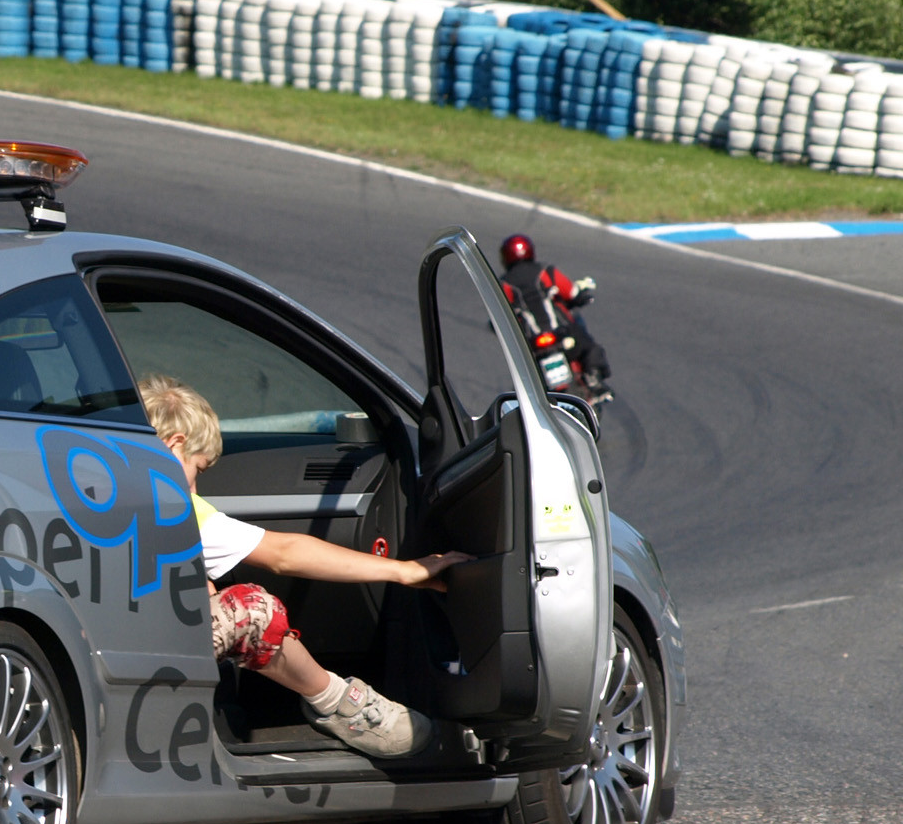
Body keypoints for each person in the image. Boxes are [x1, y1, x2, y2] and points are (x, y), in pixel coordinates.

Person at [139, 375, 470, 758]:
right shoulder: (171, 506)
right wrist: (405, 570)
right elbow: (285, 554)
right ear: (173, 446)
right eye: (198, 469)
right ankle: (338, 703)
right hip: (145, 646)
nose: (196, 489)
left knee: (205, 586)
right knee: (253, 610)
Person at [498, 233, 611, 398]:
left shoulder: (503, 285)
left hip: (531, 342)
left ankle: (529, 401)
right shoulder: (545, 272)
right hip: (560, 331)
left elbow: (501, 316)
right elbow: (571, 291)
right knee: (588, 346)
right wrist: (580, 295)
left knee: (524, 375)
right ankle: (593, 378)